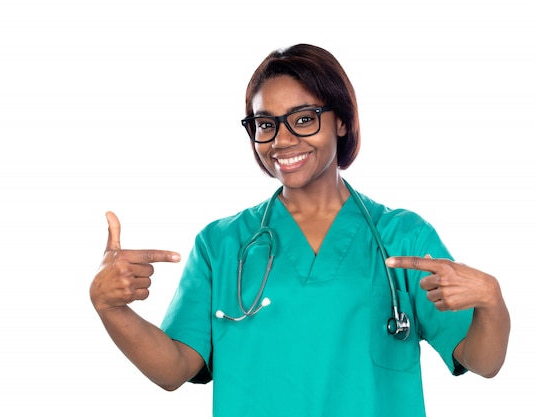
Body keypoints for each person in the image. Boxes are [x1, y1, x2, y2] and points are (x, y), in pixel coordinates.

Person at [90, 43, 510, 417]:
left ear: (341, 121)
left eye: (304, 118)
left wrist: (492, 300)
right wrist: (112, 309)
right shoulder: (221, 244)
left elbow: (482, 362)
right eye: (265, 124)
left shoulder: (403, 238)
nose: (281, 140)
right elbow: (174, 368)